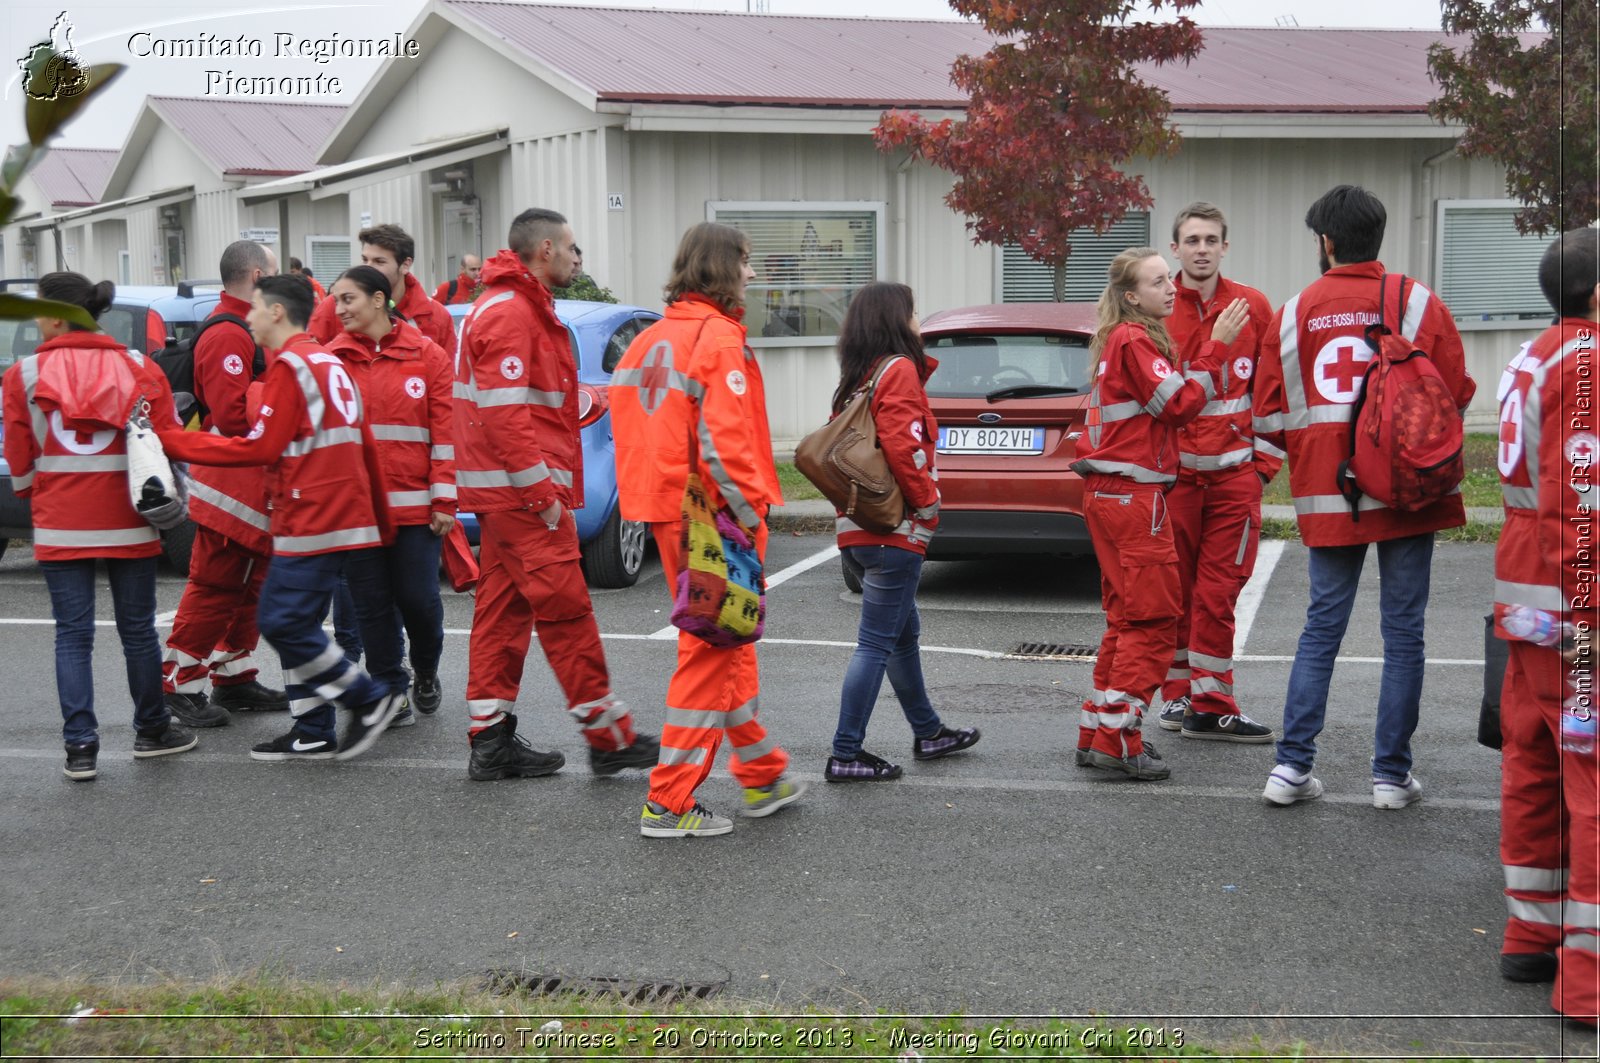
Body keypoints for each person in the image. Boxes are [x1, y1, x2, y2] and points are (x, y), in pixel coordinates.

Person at [1252, 185, 1475, 807]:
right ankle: (1389, 776)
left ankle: (1290, 768)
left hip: (1330, 492)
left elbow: (1267, 414)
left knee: (1320, 629)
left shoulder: (1294, 313)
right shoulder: (1417, 302)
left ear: (1325, 242)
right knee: (1403, 634)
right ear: (1378, 237)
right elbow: (1456, 394)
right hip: (1410, 491)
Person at [611, 221, 807, 836]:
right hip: (712, 517)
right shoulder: (719, 339)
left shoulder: (650, 340)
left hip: (666, 508)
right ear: (723, 267)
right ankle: (668, 802)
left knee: (727, 641)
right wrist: (749, 518)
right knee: (709, 650)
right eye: (746, 262)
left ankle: (760, 775)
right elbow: (726, 449)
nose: (751, 274)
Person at [158, 275, 404, 761]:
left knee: (282, 619)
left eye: (253, 309)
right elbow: (365, 445)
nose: (245, 318)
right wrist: (379, 524)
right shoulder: (329, 363)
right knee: (292, 620)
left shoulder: (292, 366)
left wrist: (172, 439)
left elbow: (261, 447)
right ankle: (316, 729)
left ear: (275, 312)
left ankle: (367, 699)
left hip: (310, 515)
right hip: (341, 516)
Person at [453, 207, 658, 781]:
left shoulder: (507, 306)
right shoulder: (512, 311)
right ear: (544, 249)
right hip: (523, 498)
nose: (577, 257)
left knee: (502, 613)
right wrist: (541, 492)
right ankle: (607, 736)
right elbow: (505, 415)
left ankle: (491, 740)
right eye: (572, 248)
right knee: (566, 611)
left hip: (505, 498)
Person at [2, 271, 197, 779]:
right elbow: (168, 438)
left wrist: (33, 492)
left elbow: (19, 460)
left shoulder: (22, 375)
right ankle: (152, 730)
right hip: (129, 520)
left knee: (72, 635)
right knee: (137, 631)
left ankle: (81, 749)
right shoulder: (136, 365)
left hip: (61, 522)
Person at [1070, 247, 1245, 781]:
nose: (1171, 287)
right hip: (1133, 498)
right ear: (1131, 297)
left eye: (1169, 279)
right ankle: (1119, 740)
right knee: (1153, 621)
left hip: (1108, 495)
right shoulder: (1135, 338)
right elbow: (1180, 404)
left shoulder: (1116, 340)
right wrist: (1218, 350)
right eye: (1158, 281)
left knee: (1126, 617)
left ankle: (1097, 729)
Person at [1492, 227, 1599, 1025]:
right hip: (1576, 600)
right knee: (1591, 782)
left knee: (1534, 758)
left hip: (1529, 591)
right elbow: (1580, 498)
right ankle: (1587, 984)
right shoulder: (1591, 362)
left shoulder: (1539, 353)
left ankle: (1532, 932)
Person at [824, 281, 980, 782]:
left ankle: (929, 731)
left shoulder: (858, 378)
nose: (918, 323)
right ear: (896, 321)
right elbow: (903, 446)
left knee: (901, 635)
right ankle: (846, 752)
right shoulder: (900, 372)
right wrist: (928, 502)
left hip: (861, 529)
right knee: (875, 642)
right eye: (913, 314)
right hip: (894, 531)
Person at [1154, 203, 1277, 743]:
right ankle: (1179, 697)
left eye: (1211, 240)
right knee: (1175, 593)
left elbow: (1273, 393)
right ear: (1175, 248)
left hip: (1233, 480)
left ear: (1225, 247)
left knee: (1218, 591)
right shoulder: (1156, 307)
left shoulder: (1253, 306)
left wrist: (1263, 469)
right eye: (1192, 240)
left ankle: (1213, 701)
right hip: (1174, 481)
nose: (1202, 248)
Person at [161, 240, 288, 730]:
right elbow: (233, 417)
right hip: (228, 484)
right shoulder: (228, 334)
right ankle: (177, 682)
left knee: (250, 583)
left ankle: (233, 675)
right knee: (215, 585)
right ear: (257, 276)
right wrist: (280, 400)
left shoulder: (247, 329)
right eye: (274, 273)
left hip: (246, 483)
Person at [326, 266, 455, 723]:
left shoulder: (428, 355)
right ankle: (390, 688)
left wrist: (443, 499)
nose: (338, 309)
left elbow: (445, 432)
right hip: (357, 514)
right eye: (335, 300)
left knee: (419, 600)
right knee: (372, 606)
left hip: (416, 512)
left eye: (347, 299)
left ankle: (425, 667)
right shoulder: (331, 360)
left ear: (379, 300)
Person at [309, 223, 456, 359]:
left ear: (405, 265)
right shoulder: (334, 307)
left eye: (379, 262)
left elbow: (446, 376)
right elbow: (314, 365)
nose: (368, 267)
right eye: (365, 260)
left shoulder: (436, 316)